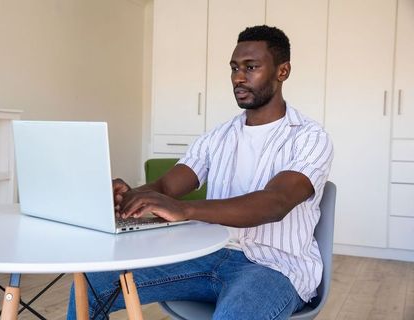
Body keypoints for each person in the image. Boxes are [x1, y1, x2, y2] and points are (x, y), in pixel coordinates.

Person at [67, 25, 333, 320]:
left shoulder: (309, 137)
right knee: (92, 285)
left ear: (283, 71)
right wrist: (130, 196)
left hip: (274, 267)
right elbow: (168, 186)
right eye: (234, 68)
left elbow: (275, 203)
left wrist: (186, 209)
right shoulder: (218, 136)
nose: (238, 78)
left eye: (251, 67)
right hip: (207, 255)